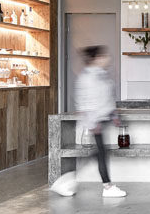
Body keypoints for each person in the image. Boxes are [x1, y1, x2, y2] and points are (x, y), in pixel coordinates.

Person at [50, 45, 126, 198]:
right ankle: (107, 186)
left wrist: (113, 115)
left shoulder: (101, 74)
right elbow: (85, 103)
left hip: (102, 119)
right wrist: (92, 123)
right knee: (100, 153)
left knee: (99, 153)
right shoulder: (87, 77)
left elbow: (106, 97)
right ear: (96, 58)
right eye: (104, 56)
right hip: (96, 121)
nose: (108, 58)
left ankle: (67, 181)